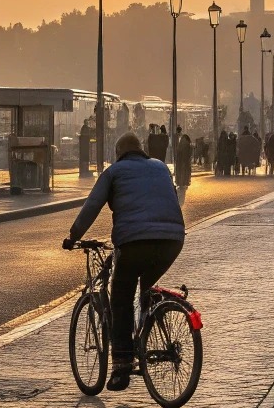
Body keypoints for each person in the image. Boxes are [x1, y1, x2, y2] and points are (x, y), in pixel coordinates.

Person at [63, 131, 184, 391]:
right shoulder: (161, 167)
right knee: (146, 286)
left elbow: (92, 206)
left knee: (121, 294)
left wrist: (73, 236)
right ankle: (150, 318)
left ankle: (122, 365)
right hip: (173, 240)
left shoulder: (114, 172)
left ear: (118, 153)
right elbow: (168, 200)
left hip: (134, 242)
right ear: (141, 150)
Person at [175, 130, 193, 202]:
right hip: (185, 162)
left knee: (180, 172)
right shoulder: (187, 145)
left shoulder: (180, 144)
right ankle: (184, 182)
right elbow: (188, 154)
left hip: (179, 162)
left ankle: (180, 182)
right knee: (185, 172)